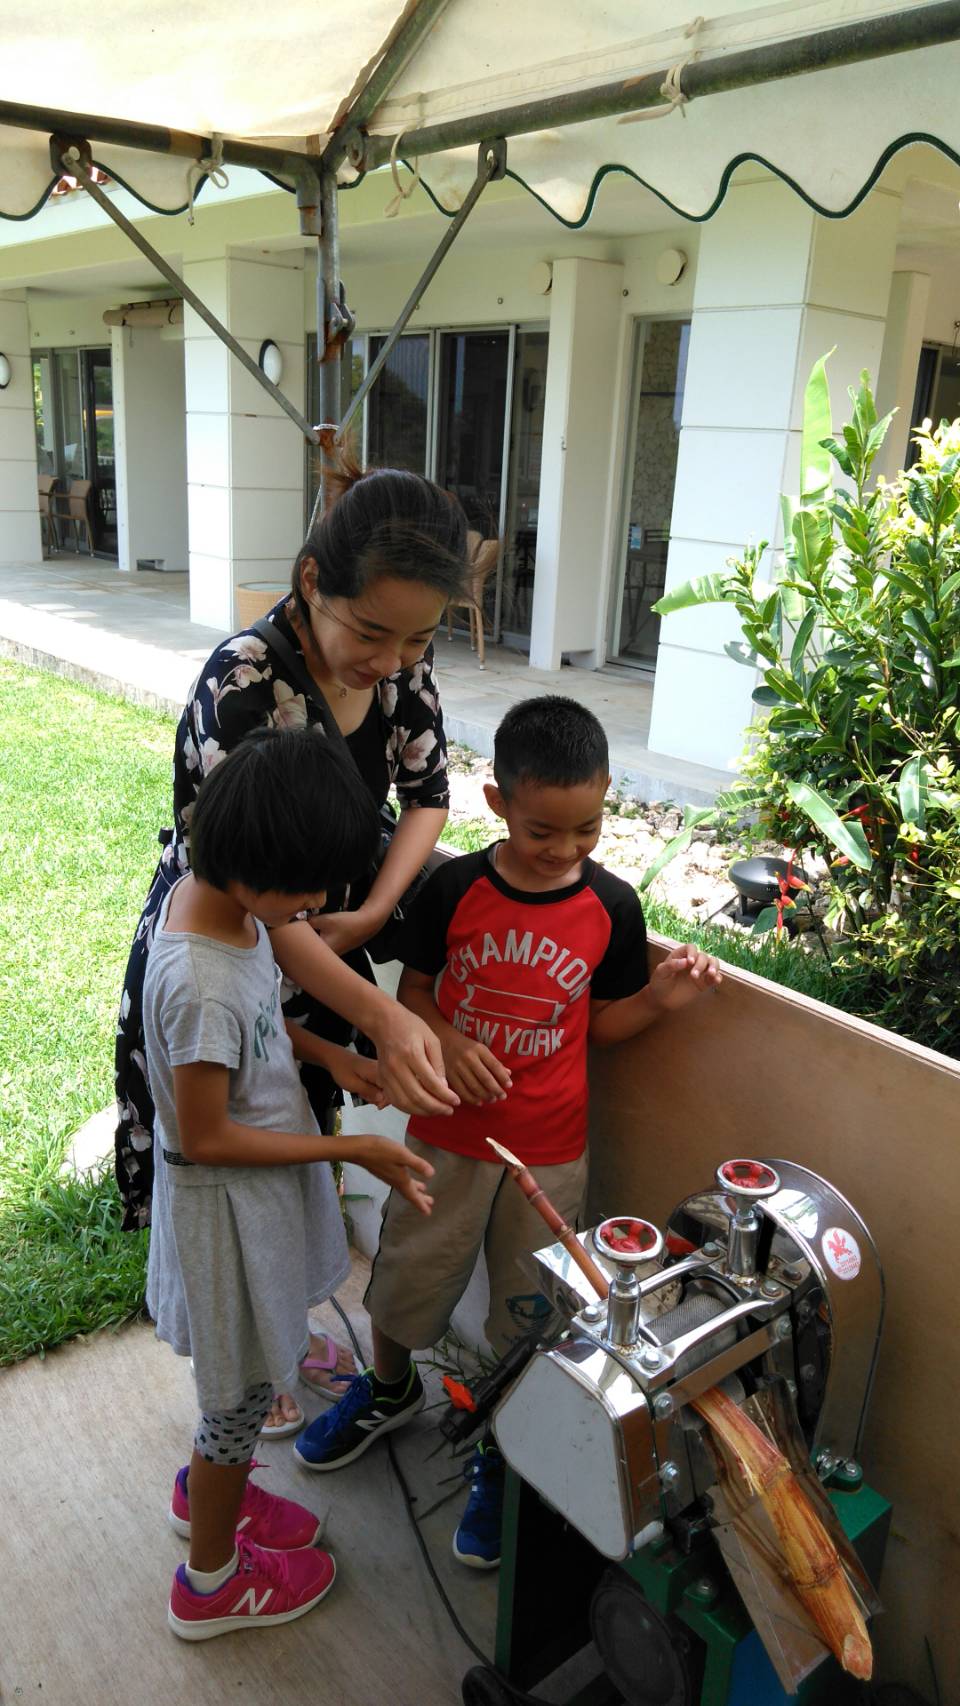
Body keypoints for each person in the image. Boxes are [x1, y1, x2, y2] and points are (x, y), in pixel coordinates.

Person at [294, 696, 722, 1570]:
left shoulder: (613, 905)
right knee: (410, 1271)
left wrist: (661, 1000)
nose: (566, 849)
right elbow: (411, 998)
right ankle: (388, 1388)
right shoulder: (452, 889)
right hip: (447, 1135)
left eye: (589, 827)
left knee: (533, 1310)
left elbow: (600, 1024)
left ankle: (499, 1443)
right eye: (542, 831)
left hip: (553, 1149)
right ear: (497, 803)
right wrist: (450, 1042)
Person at [116, 457, 468, 1432]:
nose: (394, 659)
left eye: (418, 637)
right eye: (371, 631)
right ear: (314, 580)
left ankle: (276, 1318)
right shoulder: (245, 680)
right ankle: (248, 1355)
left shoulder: (397, 665)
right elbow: (264, 906)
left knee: (301, 1147)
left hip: (315, 935)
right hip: (250, 935)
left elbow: (428, 795)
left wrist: (361, 918)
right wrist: (381, 1007)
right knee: (247, 1145)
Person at [145, 727, 435, 1640]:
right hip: (223, 1214)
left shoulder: (229, 912)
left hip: (251, 1198)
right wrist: (352, 1155)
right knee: (235, 1400)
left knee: (236, 1389)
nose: (317, 905)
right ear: (255, 863)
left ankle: (208, 1496)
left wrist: (331, 1058)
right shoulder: (198, 982)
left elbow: (263, 1023)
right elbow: (206, 1134)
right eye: (307, 888)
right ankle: (211, 1583)